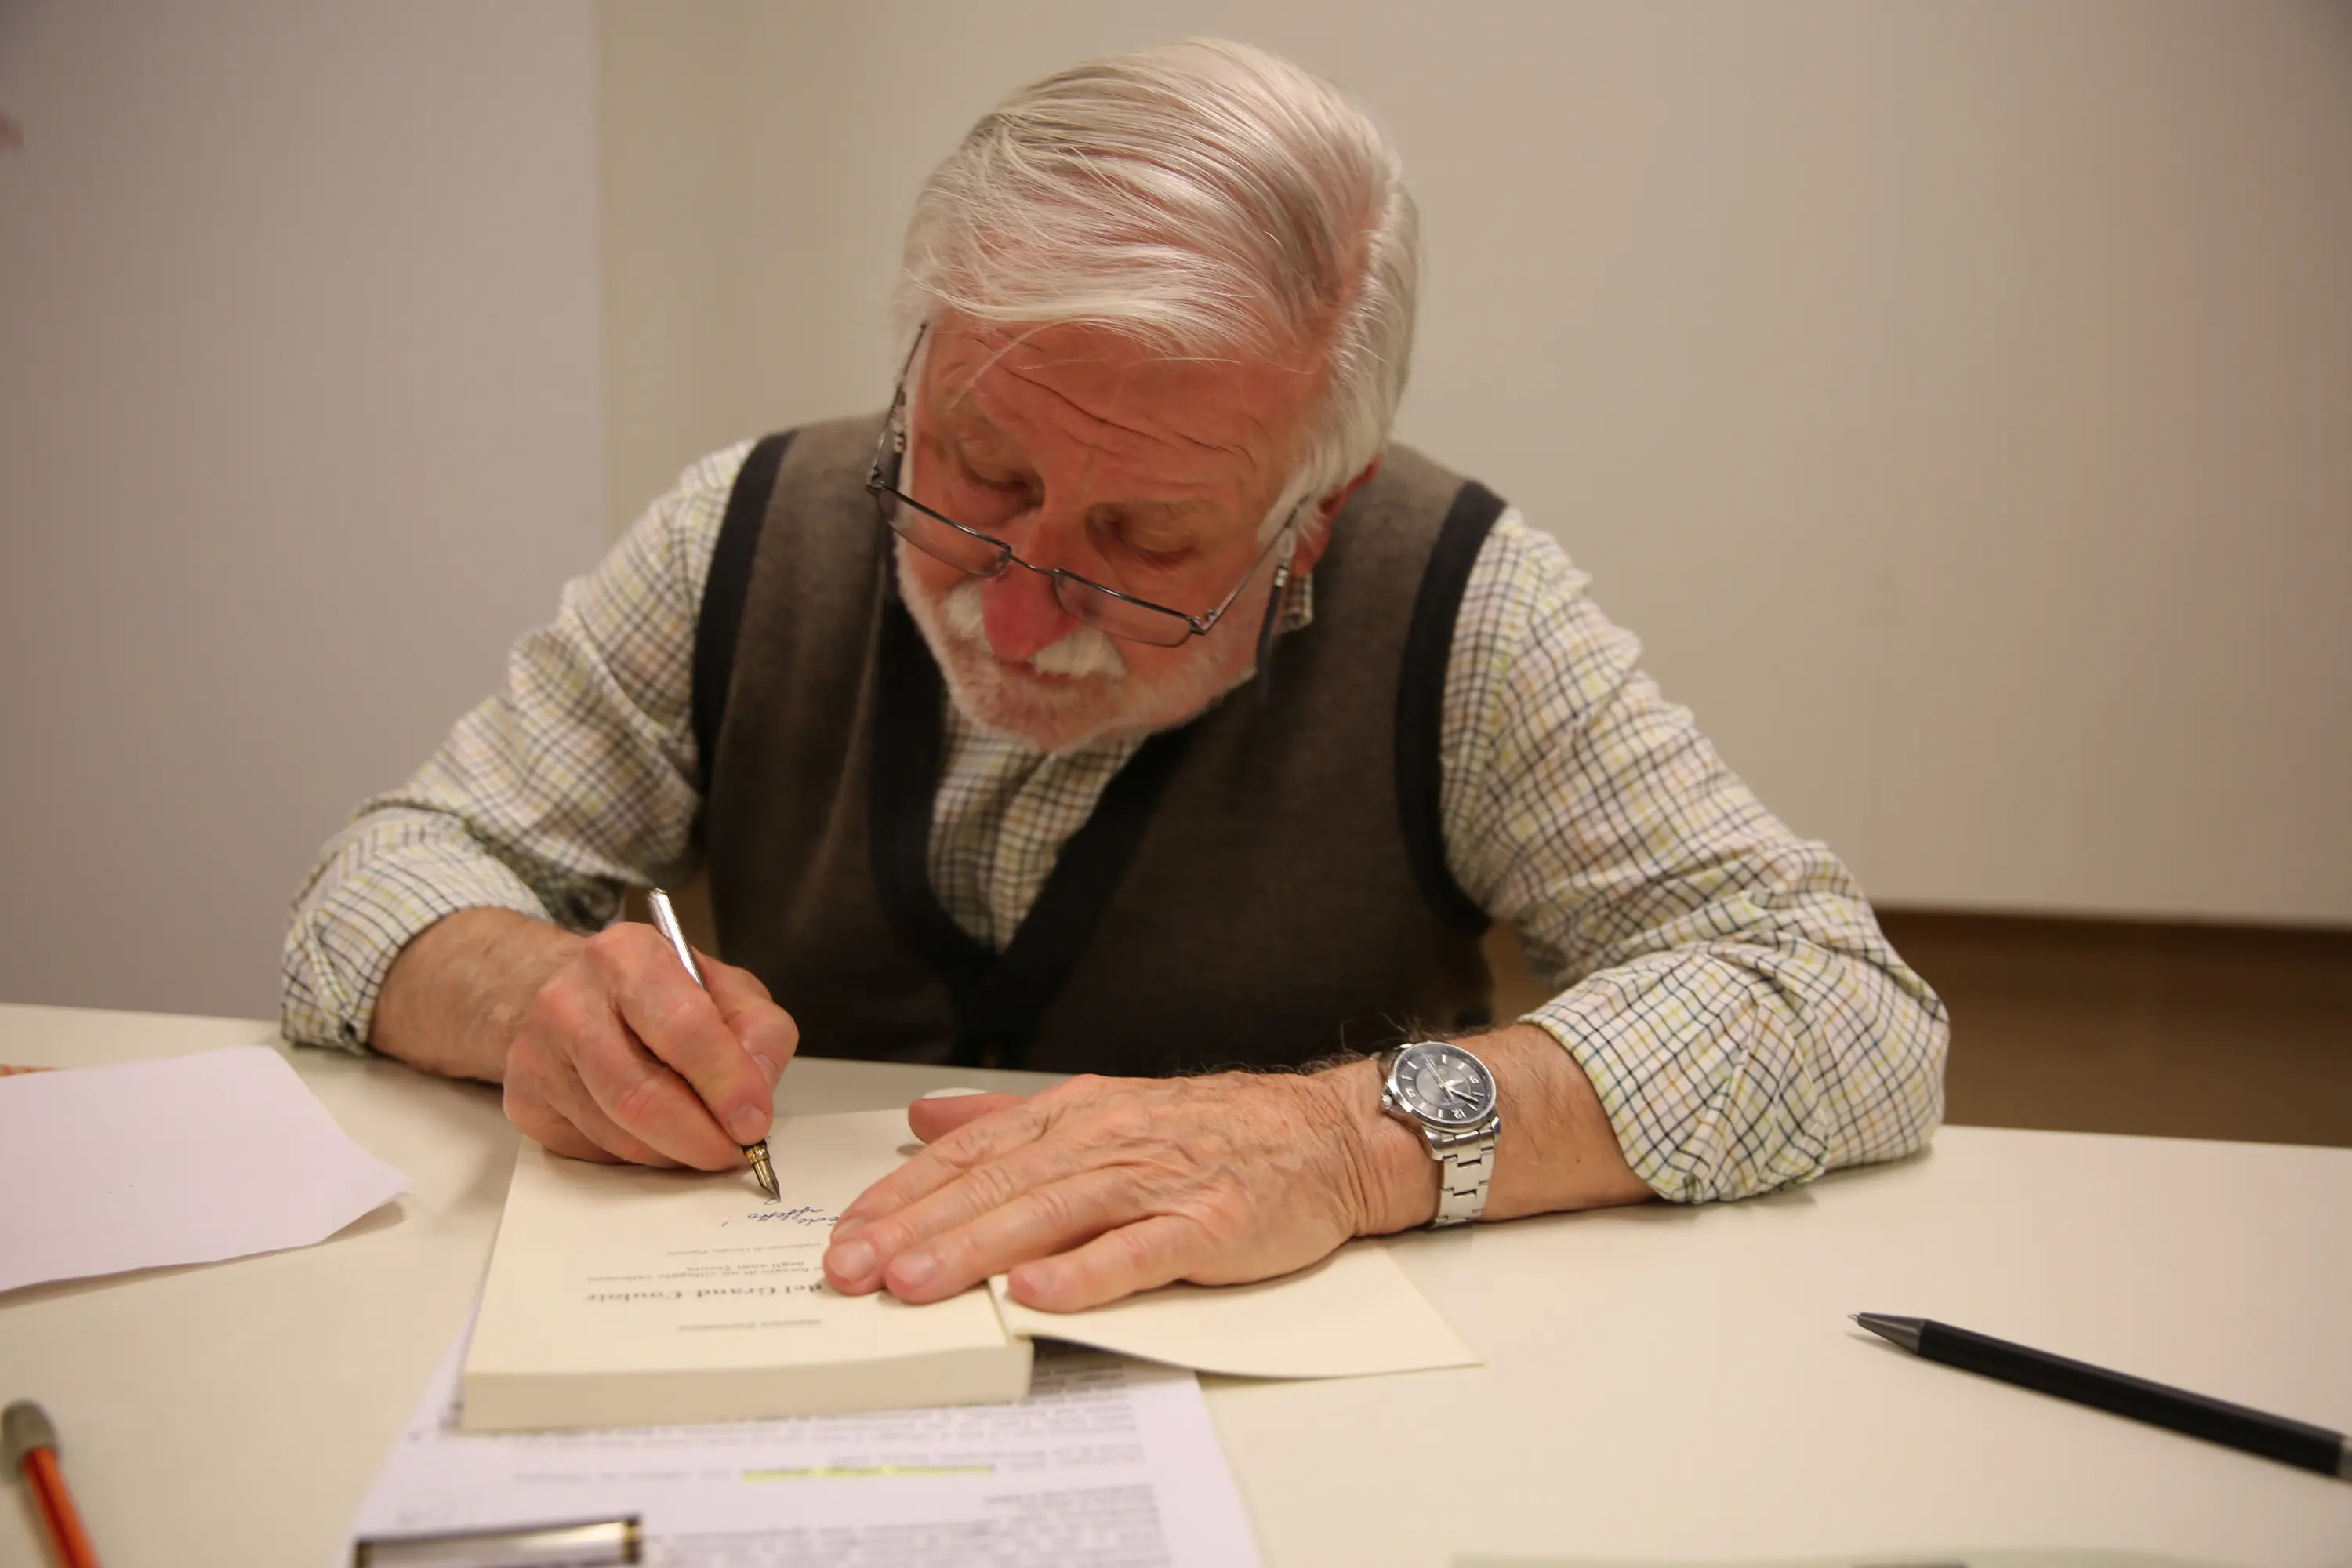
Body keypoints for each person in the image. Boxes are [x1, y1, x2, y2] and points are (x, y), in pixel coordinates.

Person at [282, 39, 1946, 1315]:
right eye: (978, 475)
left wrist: (1344, 1142)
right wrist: (532, 997)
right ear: (919, 355)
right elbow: (379, 882)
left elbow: (1838, 1000)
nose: (1014, 616)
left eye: (1147, 541)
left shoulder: (1458, 607)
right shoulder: (751, 526)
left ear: (1319, 509)